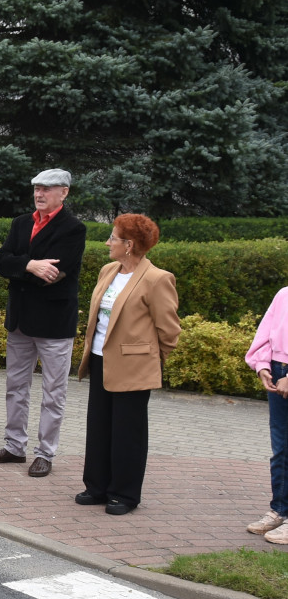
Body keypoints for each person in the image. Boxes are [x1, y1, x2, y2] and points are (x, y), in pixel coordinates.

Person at [74, 215, 180, 515]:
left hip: (134, 366)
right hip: (100, 358)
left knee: (127, 432)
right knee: (99, 426)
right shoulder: (108, 271)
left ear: (129, 245)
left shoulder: (157, 279)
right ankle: (96, 487)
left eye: (113, 238)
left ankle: (124, 494)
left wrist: (151, 359)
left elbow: (169, 329)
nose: (108, 243)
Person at [0, 168, 89, 478]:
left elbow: (54, 274)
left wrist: (19, 267)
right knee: (15, 387)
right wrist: (30, 264)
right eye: (36, 188)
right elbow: (0, 260)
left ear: (64, 192)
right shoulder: (21, 223)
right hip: (20, 320)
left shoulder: (74, 228)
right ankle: (14, 447)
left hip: (54, 323)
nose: (39, 193)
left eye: (46, 188)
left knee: (53, 392)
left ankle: (45, 453)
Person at [245, 287, 288, 544]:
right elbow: (266, 333)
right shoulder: (284, 294)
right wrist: (262, 365)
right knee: (281, 448)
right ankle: (279, 510)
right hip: (278, 370)